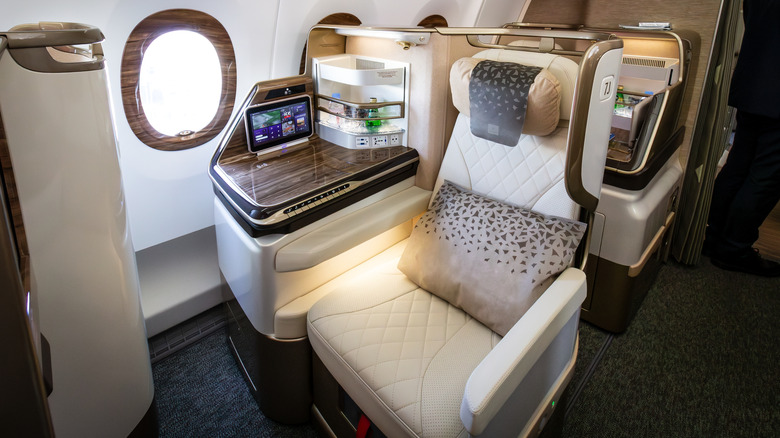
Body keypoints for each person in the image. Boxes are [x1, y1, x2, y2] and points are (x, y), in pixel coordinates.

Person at [705, 0, 780, 277]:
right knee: (766, 177)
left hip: (752, 84)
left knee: (738, 166)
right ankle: (734, 248)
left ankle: (714, 235)